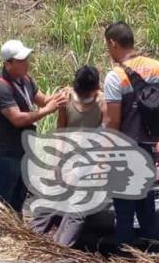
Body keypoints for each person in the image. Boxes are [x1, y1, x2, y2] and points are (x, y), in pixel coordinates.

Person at [103, 21, 159, 247]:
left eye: (107, 46)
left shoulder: (116, 76)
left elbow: (112, 122)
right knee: (146, 202)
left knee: (124, 207)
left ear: (113, 43)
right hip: (149, 149)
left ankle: (124, 251)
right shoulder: (158, 68)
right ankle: (152, 249)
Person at [0, 40, 69, 215]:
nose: (27, 63)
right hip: (7, 152)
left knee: (19, 196)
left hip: (24, 151)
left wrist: (59, 97)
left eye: (27, 59)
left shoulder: (26, 81)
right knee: (2, 196)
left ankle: (13, 232)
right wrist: (46, 110)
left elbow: (44, 100)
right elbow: (17, 118)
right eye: (21, 60)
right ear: (8, 64)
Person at [30, 65, 106, 247]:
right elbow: (61, 131)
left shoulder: (103, 102)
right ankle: (31, 238)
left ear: (96, 89)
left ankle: (60, 247)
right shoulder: (67, 97)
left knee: (77, 209)